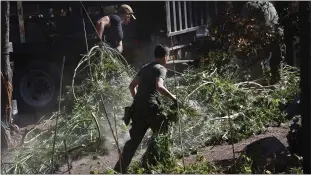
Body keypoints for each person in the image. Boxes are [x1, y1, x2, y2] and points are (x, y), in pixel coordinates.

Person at [113, 45, 178, 173]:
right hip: (152, 109)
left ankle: (118, 171)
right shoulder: (160, 68)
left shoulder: (144, 68)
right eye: (167, 57)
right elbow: (159, 87)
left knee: (132, 143)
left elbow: (132, 86)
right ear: (164, 57)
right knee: (162, 135)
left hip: (138, 110)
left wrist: (138, 100)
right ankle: (152, 164)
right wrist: (174, 98)